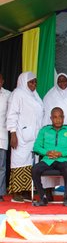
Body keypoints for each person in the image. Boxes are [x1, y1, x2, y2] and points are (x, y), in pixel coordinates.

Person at [6, 72, 44, 202]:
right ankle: (17, 192)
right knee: (19, 161)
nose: (34, 85)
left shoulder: (35, 96)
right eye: (31, 82)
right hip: (20, 136)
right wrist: (13, 133)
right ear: (23, 82)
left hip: (34, 136)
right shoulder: (18, 94)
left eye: (35, 82)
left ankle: (28, 191)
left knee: (31, 163)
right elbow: (12, 114)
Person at [32, 108, 67, 206]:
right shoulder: (44, 130)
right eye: (55, 117)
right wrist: (47, 152)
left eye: (60, 117)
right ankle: (42, 197)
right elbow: (36, 147)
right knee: (35, 169)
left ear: (63, 118)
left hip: (62, 159)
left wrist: (62, 154)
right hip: (47, 159)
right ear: (51, 118)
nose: (58, 120)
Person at [0, 73, 11, 202]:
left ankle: (0, 192)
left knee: (1, 166)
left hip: (1, 135)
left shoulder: (8, 95)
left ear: (3, 81)